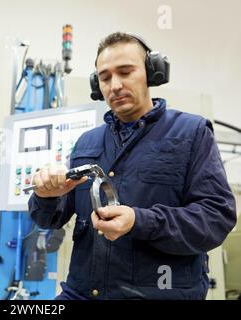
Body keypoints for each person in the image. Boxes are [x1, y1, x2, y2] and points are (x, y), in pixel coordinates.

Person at [28, 32, 237, 300]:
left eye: (125, 72)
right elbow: (51, 218)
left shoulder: (190, 133)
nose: (114, 85)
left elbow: (215, 218)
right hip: (81, 294)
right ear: (97, 84)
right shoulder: (86, 143)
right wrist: (45, 196)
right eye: (105, 77)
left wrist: (140, 221)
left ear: (151, 72)